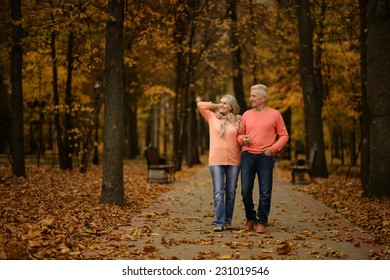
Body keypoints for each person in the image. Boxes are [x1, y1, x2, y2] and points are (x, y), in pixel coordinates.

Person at [238, 84, 289, 234]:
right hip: (247, 155)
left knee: (265, 191)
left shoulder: (275, 114)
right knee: (245, 190)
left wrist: (273, 149)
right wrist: (243, 139)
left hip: (264, 157)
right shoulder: (246, 114)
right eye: (250, 95)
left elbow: (284, 135)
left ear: (263, 98)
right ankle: (250, 217)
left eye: (254, 96)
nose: (250, 98)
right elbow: (239, 135)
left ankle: (262, 222)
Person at [197, 95, 242, 232]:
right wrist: (217, 106)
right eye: (221, 102)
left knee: (231, 192)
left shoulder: (238, 120)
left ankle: (228, 222)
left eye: (225, 103)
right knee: (218, 191)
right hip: (216, 160)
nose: (222, 105)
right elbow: (200, 105)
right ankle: (218, 222)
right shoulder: (212, 117)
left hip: (234, 160)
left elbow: (240, 137)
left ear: (232, 107)